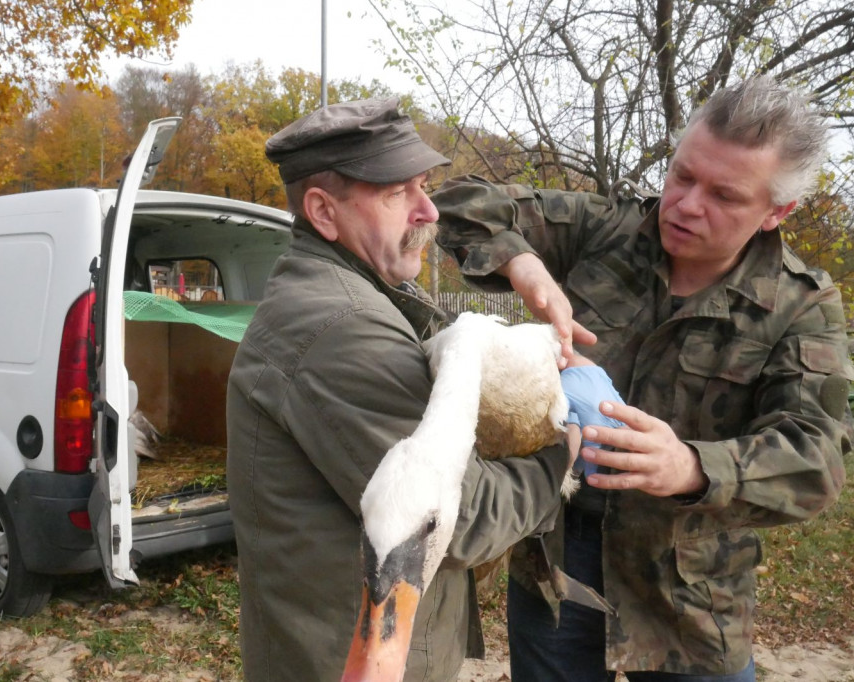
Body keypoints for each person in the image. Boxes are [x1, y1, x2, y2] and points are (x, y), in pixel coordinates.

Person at [431, 75, 853, 681]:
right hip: (560, 565)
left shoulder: (800, 305)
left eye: (725, 196)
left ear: (775, 212)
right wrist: (523, 264)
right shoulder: (607, 229)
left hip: (691, 587)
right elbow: (454, 201)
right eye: (682, 175)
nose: (685, 205)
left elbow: (816, 458)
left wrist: (690, 466)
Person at [226, 99, 570, 681]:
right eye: (396, 193)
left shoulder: (361, 293)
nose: (428, 210)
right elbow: (464, 516)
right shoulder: (342, 327)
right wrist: (564, 456)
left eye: (424, 186)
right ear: (323, 212)